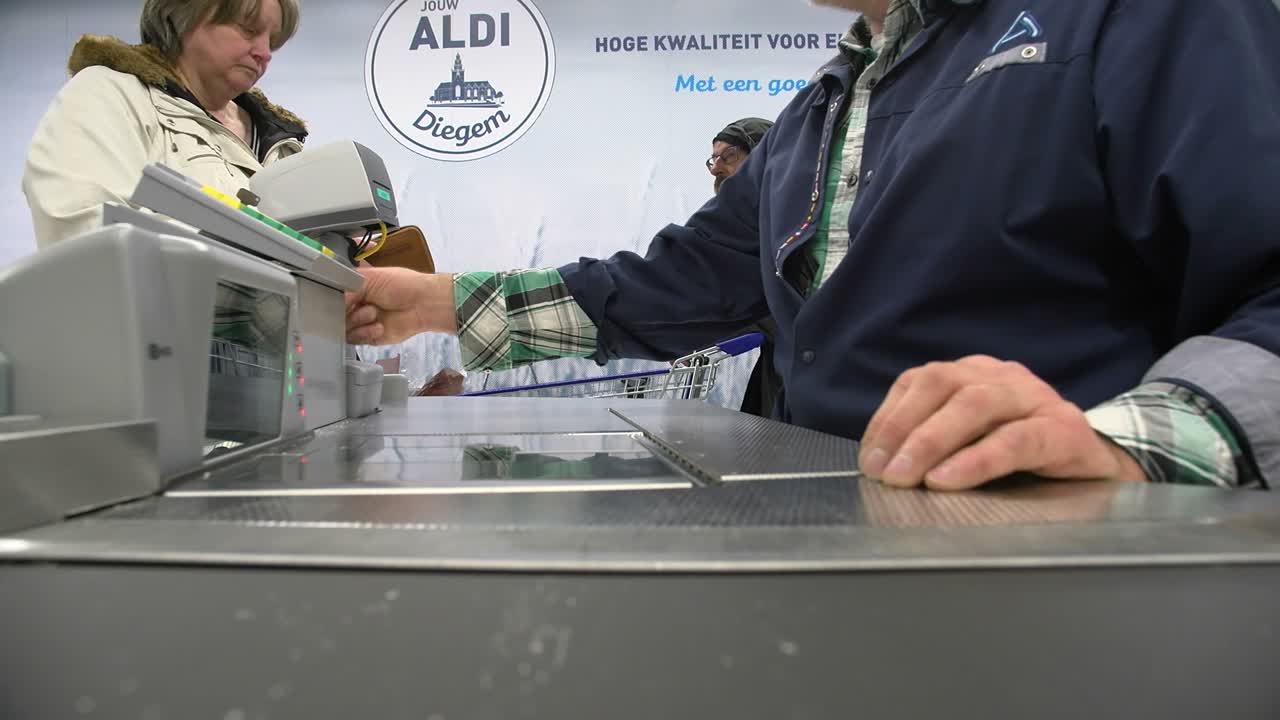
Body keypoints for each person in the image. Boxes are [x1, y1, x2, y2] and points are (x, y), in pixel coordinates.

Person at [348, 0, 1280, 493]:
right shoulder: (819, 110)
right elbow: (681, 284)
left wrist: (1121, 444)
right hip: (850, 542)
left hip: (1081, 555)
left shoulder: (1139, 16)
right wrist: (434, 301)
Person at [23, 0, 305, 248]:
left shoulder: (283, 144)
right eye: (248, 29)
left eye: (273, 40)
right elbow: (84, 232)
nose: (264, 52)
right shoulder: (109, 94)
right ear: (184, 16)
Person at [707, 117, 784, 418]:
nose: (716, 167)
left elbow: (776, 309)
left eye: (729, 156)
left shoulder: (791, 224)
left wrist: (697, 332)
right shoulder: (744, 225)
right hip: (776, 386)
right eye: (713, 159)